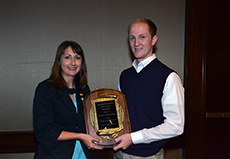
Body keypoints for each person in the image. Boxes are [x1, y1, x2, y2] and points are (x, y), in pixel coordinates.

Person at [113, 18, 185, 159]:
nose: (136, 43)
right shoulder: (125, 76)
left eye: (142, 37)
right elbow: (120, 115)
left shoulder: (169, 77)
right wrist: (100, 102)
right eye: (132, 38)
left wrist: (133, 138)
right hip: (119, 153)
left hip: (148, 156)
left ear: (153, 40)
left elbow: (175, 126)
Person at [33, 40, 102, 159]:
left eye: (77, 57)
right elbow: (44, 131)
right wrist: (80, 136)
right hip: (54, 154)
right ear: (59, 61)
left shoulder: (84, 89)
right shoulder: (45, 89)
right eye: (67, 57)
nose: (73, 63)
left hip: (82, 154)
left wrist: (98, 104)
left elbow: (89, 124)